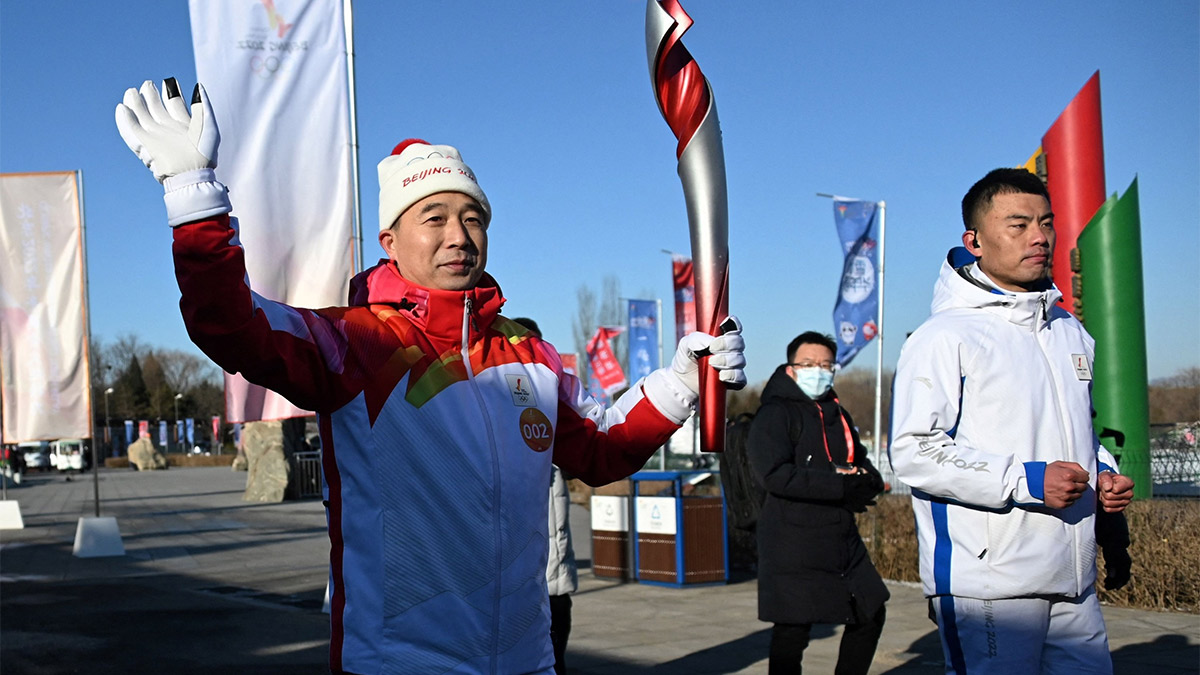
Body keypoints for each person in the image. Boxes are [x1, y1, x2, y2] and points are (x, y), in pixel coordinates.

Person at [114, 78, 746, 675]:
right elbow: (229, 325)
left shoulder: (530, 355)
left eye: (473, 218)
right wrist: (194, 195)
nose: (459, 236)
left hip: (526, 659)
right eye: (434, 217)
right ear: (390, 240)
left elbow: (602, 449)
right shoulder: (357, 342)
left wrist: (682, 382)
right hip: (402, 662)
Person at [889, 167, 1135, 674]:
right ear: (974, 241)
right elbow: (914, 452)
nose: (1039, 237)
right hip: (989, 585)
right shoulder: (944, 336)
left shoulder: (1068, 329)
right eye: (1018, 225)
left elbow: (1077, 430)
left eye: (1046, 223)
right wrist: (1027, 480)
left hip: (1073, 578)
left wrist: (1104, 473)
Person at [747, 331, 888, 675]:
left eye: (826, 365)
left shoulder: (837, 413)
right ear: (791, 369)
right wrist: (839, 484)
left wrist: (866, 481)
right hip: (792, 539)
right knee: (793, 629)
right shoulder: (775, 414)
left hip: (840, 537)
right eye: (809, 364)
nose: (818, 371)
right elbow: (775, 475)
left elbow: (860, 460)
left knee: (870, 610)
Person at [512, 317, 577, 675]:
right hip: (519, 586)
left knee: (557, 657)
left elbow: (595, 449)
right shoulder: (498, 403)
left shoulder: (554, 405)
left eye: (538, 347)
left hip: (557, 582)